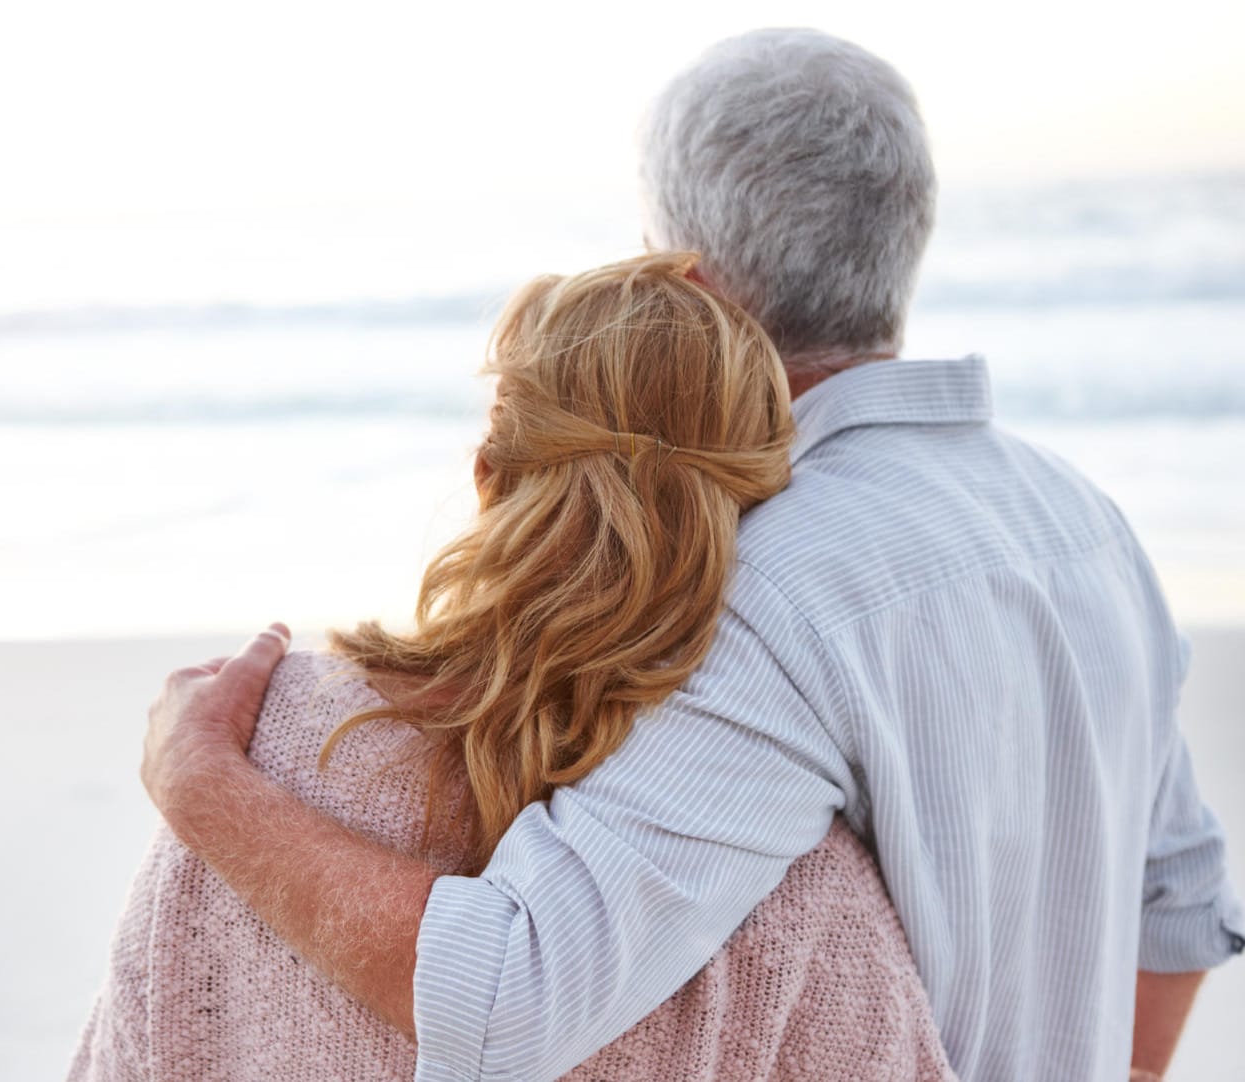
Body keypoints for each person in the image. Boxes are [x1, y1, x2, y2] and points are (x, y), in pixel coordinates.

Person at [136, 28, 1243, 1082]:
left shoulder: (768, 574)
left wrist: (205, 789)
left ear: (693, 283)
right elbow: (1183, 902)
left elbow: (510, 990)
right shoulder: (1084, 521)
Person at [76, 253, 952, 1080]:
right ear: (756, 509)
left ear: (491, 476)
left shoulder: (260, 741)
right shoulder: (779, 851)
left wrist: (202, 782)